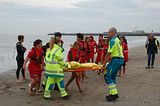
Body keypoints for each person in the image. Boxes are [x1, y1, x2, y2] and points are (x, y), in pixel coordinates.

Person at [102, 27, 124, 102]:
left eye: (109, 33)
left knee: (107, 75)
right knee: (112, 76)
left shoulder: (112, 41)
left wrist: (104, 64)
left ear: (113, 32)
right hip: (120, 59)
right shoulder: (117, 40)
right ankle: (112, 93)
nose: (108, 34)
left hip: (116, 60)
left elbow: (108, 54)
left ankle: (114, 94)